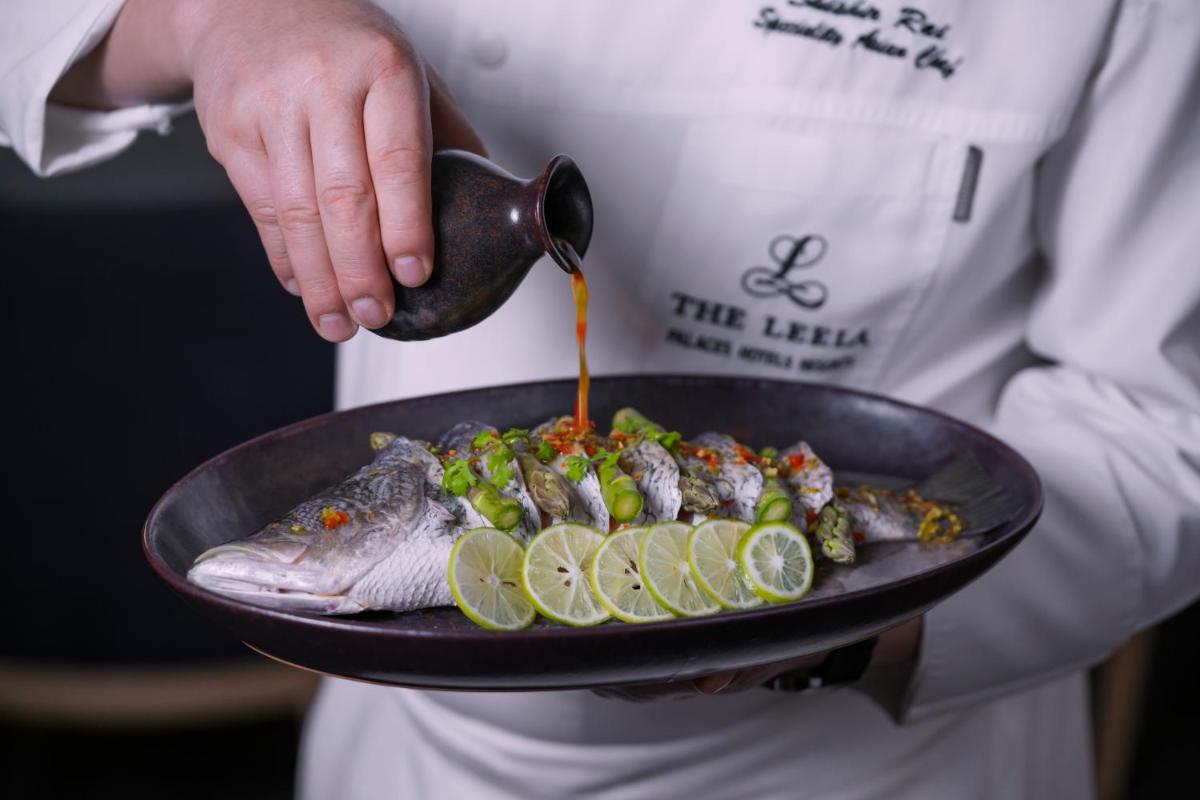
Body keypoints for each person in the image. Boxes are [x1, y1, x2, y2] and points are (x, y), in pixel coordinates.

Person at [5, 1, 1198, 797]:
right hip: (413, 760)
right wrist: (221, 19)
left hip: (882, 761)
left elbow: (1171, 425)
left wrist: (820, 624)